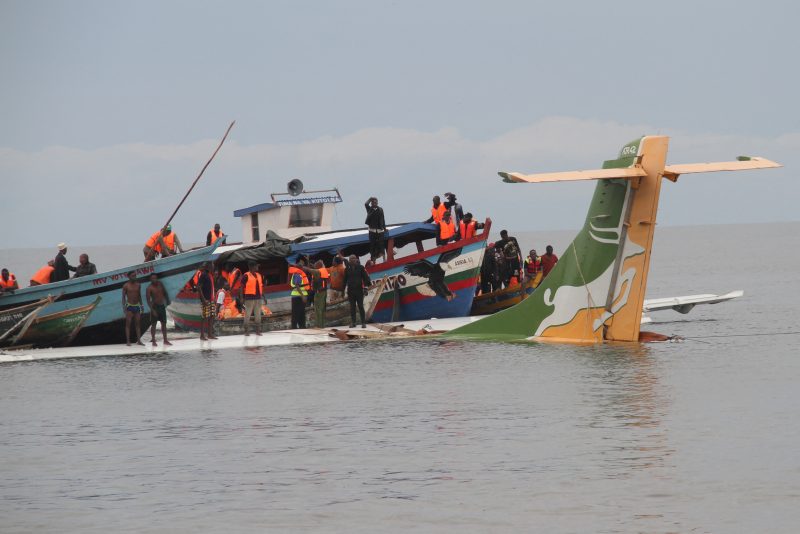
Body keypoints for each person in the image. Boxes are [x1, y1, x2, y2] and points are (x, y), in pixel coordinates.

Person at [343, 255, 371, 328]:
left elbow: (366, 278)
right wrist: (342, 291)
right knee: (352, 307)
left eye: (354, 258)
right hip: (350, 291)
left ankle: (363, 323)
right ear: (349, 260)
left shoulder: (361, 268)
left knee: (360, 306)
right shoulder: (347, 269)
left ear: (356, 260)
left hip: (359, 290)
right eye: (351, 259)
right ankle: (353, 322)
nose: (353, 260)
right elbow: (344, 280)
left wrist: (365, 288)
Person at [302, 260, 331, 328]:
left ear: (318, 266)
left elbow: (309, 270)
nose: (314, 266)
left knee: (319, 309)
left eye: (315, 265)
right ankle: (319, 324)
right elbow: (311, 268)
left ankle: (320, 325)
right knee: (319, 308)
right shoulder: (321, 270)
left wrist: (302, 266)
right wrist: (308, 261)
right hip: (319, 292)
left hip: (320, 293)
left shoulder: (318, 271)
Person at [146, 273, 172, 346]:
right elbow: (148, 301)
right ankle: (154, 341)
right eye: (152, 278)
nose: (154, 280)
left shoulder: (160, 284)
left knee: (164, 324)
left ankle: (165, 340)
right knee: (153, 324)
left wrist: (167, 300)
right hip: (155, 307)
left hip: (162, 306)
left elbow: (165, 292)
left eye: (155, 278)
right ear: (150, 280)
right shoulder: (149, 288)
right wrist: (152, 310)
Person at [241, 263, 266, 335]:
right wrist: (242, 297)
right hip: (249, 298)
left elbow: (261, 286)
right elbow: (242, 287)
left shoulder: (259, 275)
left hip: (258, 297)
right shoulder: (246, 275)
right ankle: (246, 331)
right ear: (251, 267)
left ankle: (258, 331)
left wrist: (264, 296)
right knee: (247, 314)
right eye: (256, 266)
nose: (257, 267)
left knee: (258, 314)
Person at [122, 271, 144, 346]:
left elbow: (139, 295)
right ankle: (128, 341)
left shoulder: (138, 285)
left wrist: (142, 306)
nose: (134, 277)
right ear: (129, 277)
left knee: (138, 324)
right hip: (129, 306)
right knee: (128, 324)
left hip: (137, 305)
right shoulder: (126, 285)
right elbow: (123, 297)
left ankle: (139, 340)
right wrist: (124, 307)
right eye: (132, 276)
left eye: (135, 275)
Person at [196, 262, 217, 340]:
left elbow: (211, 288)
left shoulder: (210, 275)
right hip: (206, 299)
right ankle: (202, 335)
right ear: (208, 267)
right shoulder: (203, 275)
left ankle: (210, 334)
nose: (213, 268)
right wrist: (204, 299)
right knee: (205, 316)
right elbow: (199, 287)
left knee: (212, 315)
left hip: (211, 299)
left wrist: (214, 298)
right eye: (212, 266)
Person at [364, 197, 386, 262]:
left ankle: (384, 259)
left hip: (380, 230)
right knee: (373, 245)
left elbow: (383, 219)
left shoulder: (380, 209)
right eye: (373, 202)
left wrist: (384, 228)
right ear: (371, 203)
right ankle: (373, 261)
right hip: (372, 230)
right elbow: (366, 204)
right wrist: (370, 198)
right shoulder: (369, 209)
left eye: (376, 202)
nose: (375, 203)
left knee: (381, 244)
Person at [289, 262, 309, 329]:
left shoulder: (300, 274)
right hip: (298, 297)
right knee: (296, 313)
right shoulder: (297, 274)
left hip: (299, 296)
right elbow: (297, 285)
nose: (303, 268)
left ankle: (302, 326)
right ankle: (294, 327)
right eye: (302, 267)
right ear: (300, 268)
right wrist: (303, 296)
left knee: (301, 313)